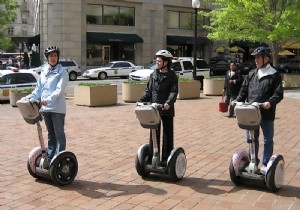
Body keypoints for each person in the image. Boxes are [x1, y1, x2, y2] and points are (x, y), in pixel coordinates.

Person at [235, 46, 283, 174]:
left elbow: (278, 94)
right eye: (255, 57)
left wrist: (270, 102)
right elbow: (244, 90)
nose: (256, 60)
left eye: (258, 57)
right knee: (251, 138)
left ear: (266, 58)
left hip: (266, 112)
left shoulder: (274, 74)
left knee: (268, 139)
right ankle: (253, 162)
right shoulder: (252, 74)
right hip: (251, 112)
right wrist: (237, 100)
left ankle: (266, 164)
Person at [24, 45, 69, 163]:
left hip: (57, 108)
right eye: (51, 56)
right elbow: (38, 89)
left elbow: (59, 90)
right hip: (45, 108)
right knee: (50, 134)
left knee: (59, 133)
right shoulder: (44, 71)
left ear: (58, 57)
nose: (53, 58)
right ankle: (50, 158)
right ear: (47, 58)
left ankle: (59, 158)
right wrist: (29, 97)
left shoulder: (62, 72)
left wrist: (47, 99)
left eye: (55, 55)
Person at [139, 50, 178, 165]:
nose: (157, 63)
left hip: (166, 109)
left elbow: (174, 92)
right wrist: (141, 101)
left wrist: (168, 103)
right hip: (154, 110)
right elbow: (148, 91)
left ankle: (166, 160)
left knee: (167, 135)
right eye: (156, 61)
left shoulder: (172, 76)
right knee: (154, 135)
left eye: (159, 61)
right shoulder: (154, 74)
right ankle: (152, 158)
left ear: (166, 62)